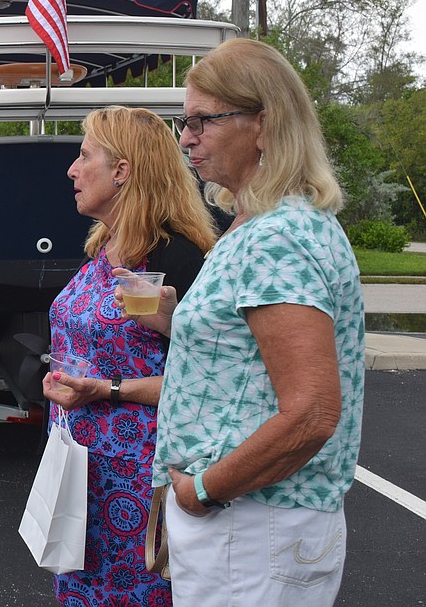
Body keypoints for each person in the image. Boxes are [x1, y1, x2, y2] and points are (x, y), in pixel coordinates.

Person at [133, 38, 365, 605]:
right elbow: (247, 361)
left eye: (202, 122)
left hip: (253, 523)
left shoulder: (277, 235)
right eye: (183, 122)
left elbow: (312, 412)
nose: (185, 138)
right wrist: (178, 321)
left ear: (263, 124)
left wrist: (201, 493)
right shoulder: (260, 224)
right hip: (252, 523)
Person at [41, 105, 218, 606]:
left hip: (141, 484)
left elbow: (205, 380)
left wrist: (107, 388)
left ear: (122, 171)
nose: (72, 170)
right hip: (81, 471)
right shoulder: (102, 246)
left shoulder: (176, 256)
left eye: (83, 156)